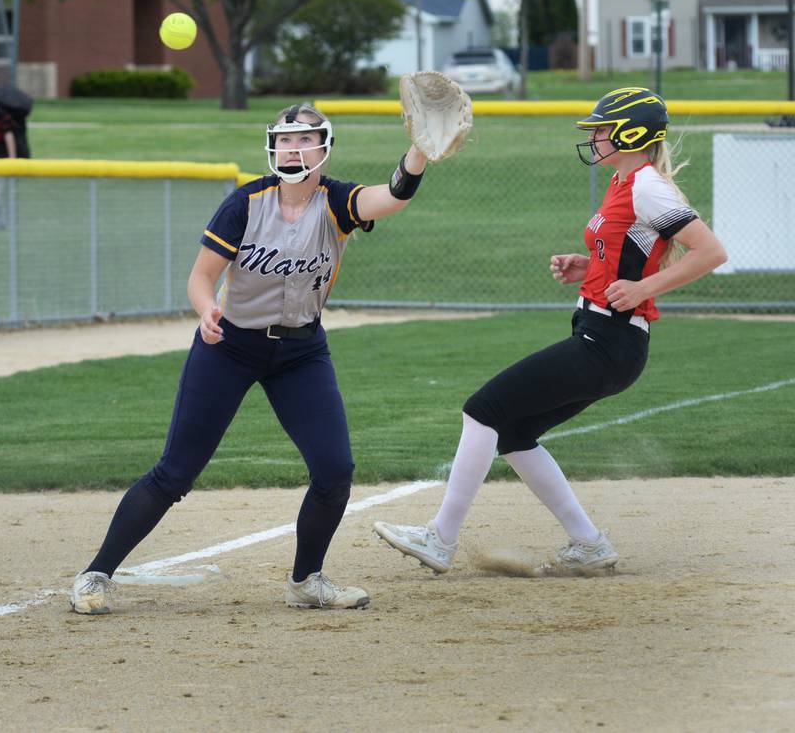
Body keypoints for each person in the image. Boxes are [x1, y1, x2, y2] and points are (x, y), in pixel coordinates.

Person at [71, 103, 431, 613]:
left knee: (335, 471)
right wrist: (205, 311)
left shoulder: (337, 201)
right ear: (272, 148)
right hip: (230, 347)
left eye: (304, 140)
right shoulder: (246, 202)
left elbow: (392, 197)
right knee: (175, 473)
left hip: (302, 351)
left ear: (324, 149)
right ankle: (95, 575)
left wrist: (420, 151)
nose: (293, 149)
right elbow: (201, 277)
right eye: (284, 140)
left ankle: (306, 582)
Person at [373, 87, 728, 575]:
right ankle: (589, 544)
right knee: (514, 432)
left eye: (603, 128)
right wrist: (589, 267)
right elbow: (631, 248)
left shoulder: (646, 185)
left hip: (611, 341)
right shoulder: (625, 182)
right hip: (604, 335)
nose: (596, 137)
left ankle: (440, 538)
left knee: (483, 411)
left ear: (631, 133)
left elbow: (711, 252)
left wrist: (646, 286)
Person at [0, 103, 17, 230]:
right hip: (1, 159)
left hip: (0, 160)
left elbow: (9, 135)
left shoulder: (0, 113)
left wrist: (12, 159)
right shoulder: (1, 112)